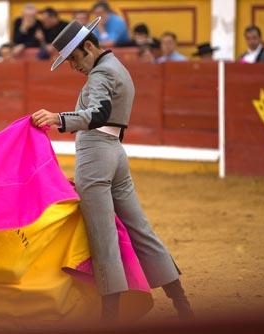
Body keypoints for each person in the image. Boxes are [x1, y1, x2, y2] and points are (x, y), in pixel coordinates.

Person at [30, 18, 194, 322]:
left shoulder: (100, 74)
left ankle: (109, 319)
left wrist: (59, 119)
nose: (74, 67)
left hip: (95, 156)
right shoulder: (118, 68)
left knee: (103, 238)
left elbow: (98, 112)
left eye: (75, 58)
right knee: (141, 230)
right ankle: (181, 303)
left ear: (89, 46)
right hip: (117, 153)